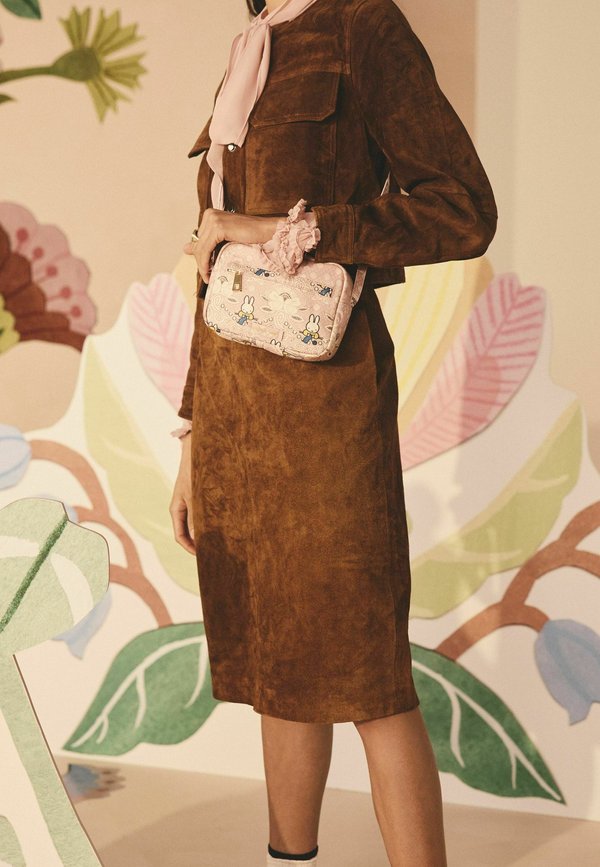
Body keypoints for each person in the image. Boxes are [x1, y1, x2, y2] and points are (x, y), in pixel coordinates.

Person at [169, 0, 498, 864]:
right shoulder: (255, 40)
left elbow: (463, 208)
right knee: (278, 671)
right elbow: (214, 267)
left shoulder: (362, 25)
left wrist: (301, 232)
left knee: (366, 673)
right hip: (234, 418)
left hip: (325, 412)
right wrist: (193, 440)